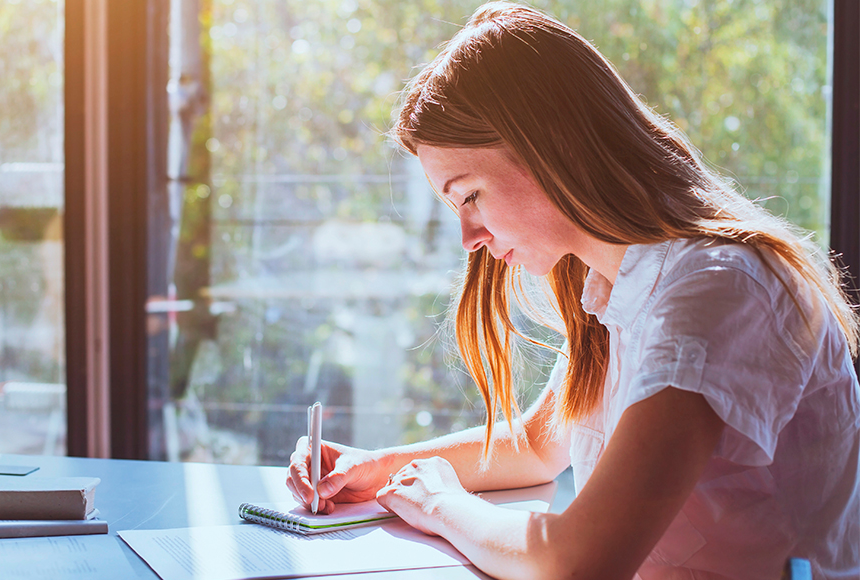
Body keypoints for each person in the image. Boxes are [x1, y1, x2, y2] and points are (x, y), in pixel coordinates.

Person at [285, 3, 860, 579]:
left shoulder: (717, 292)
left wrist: (441, 505)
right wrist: (376, 468)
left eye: (469, 196)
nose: (468, 237)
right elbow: (537, 446)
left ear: (548, 147)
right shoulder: (615, 286)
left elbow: (579, 560)